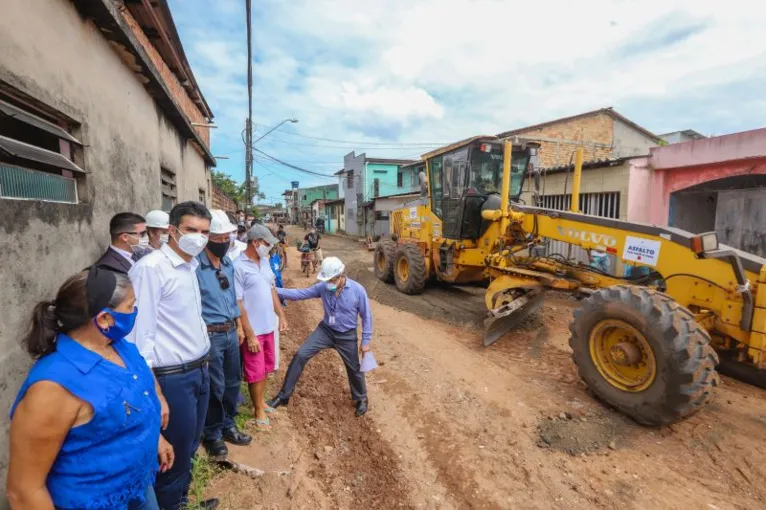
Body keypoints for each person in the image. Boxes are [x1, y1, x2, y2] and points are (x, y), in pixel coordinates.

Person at [7, 267, 171, 510]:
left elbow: (136, 393)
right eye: (130, 306)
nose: (135, 312)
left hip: (136, 489)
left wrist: (154, 437)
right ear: (104, 319)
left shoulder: (118, 346)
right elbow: (24, 491)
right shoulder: (53, 387)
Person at [127, 201, 218, 510]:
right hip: (171, 378)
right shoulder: (151, 269)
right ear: (171, 231)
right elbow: (139, 340)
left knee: (189, 445)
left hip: (197, 371)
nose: (199, 237)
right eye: (191, 230)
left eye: (205, 232)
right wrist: (156, 394)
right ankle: (170, 503)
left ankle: (180, 500)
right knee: (171, 456)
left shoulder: (190, 265)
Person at [267, 257, 372, 417]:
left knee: (354, 368)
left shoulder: (358, 291)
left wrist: (365, 341)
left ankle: (361, 398)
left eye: (331, 279)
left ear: (340, 276)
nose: (328, 282)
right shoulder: (323, 287)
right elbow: (300, 294)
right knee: (301, 354)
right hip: (326, 331)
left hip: (347, 335)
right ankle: (283, 396)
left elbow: (366, 317)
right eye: (327, 279)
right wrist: (274, 290)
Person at [196, 210, 252, 461]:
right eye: (219, 238)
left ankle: (228, 424)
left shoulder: (228, 264)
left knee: (232, 383)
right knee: (214, 386)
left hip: (230, 332)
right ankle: (212, 434)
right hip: (210, 335)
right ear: (208, 238)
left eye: (228, 237)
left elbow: (231, 299)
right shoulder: (196, 267)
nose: (225, 242)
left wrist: (239, 326)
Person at [234, 224, 288, 430]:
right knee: (255, 371)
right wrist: (249, 334)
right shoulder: (239, 266)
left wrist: (280, 315)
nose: (269, 248)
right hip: (254, 330)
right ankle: (257, 409)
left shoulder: (264, 262)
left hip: (268, 327)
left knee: (265, 368)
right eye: (267, 244)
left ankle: (262, 401)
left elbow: (272, 290)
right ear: (255, 242)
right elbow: (238, 303)